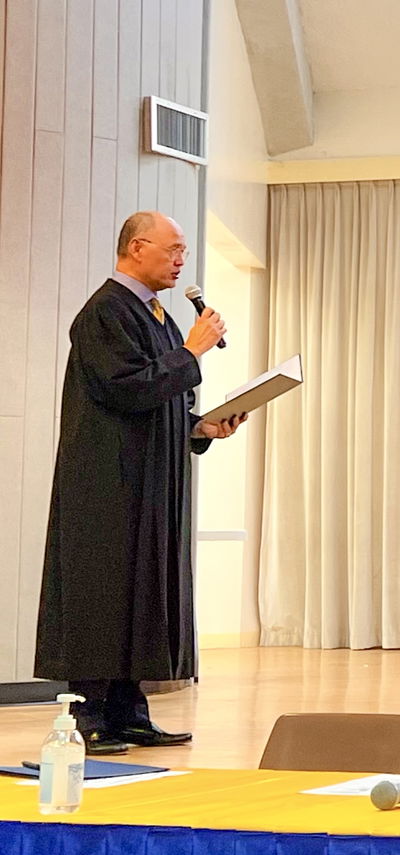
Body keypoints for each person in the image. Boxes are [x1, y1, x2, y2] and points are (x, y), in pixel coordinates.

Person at [35, 211, 242, 755]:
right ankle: (92, 716)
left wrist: (200, 426)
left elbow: (159, 399)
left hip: (151, 481)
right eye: (173, 250)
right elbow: (125, 391)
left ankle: (131, 712)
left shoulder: (156, 315)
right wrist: (193, 350)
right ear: (135, 248)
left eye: (184, 253)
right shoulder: (105, 310)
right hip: (108, 483)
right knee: (104, 594)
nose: (181, 261)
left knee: (143, 592)